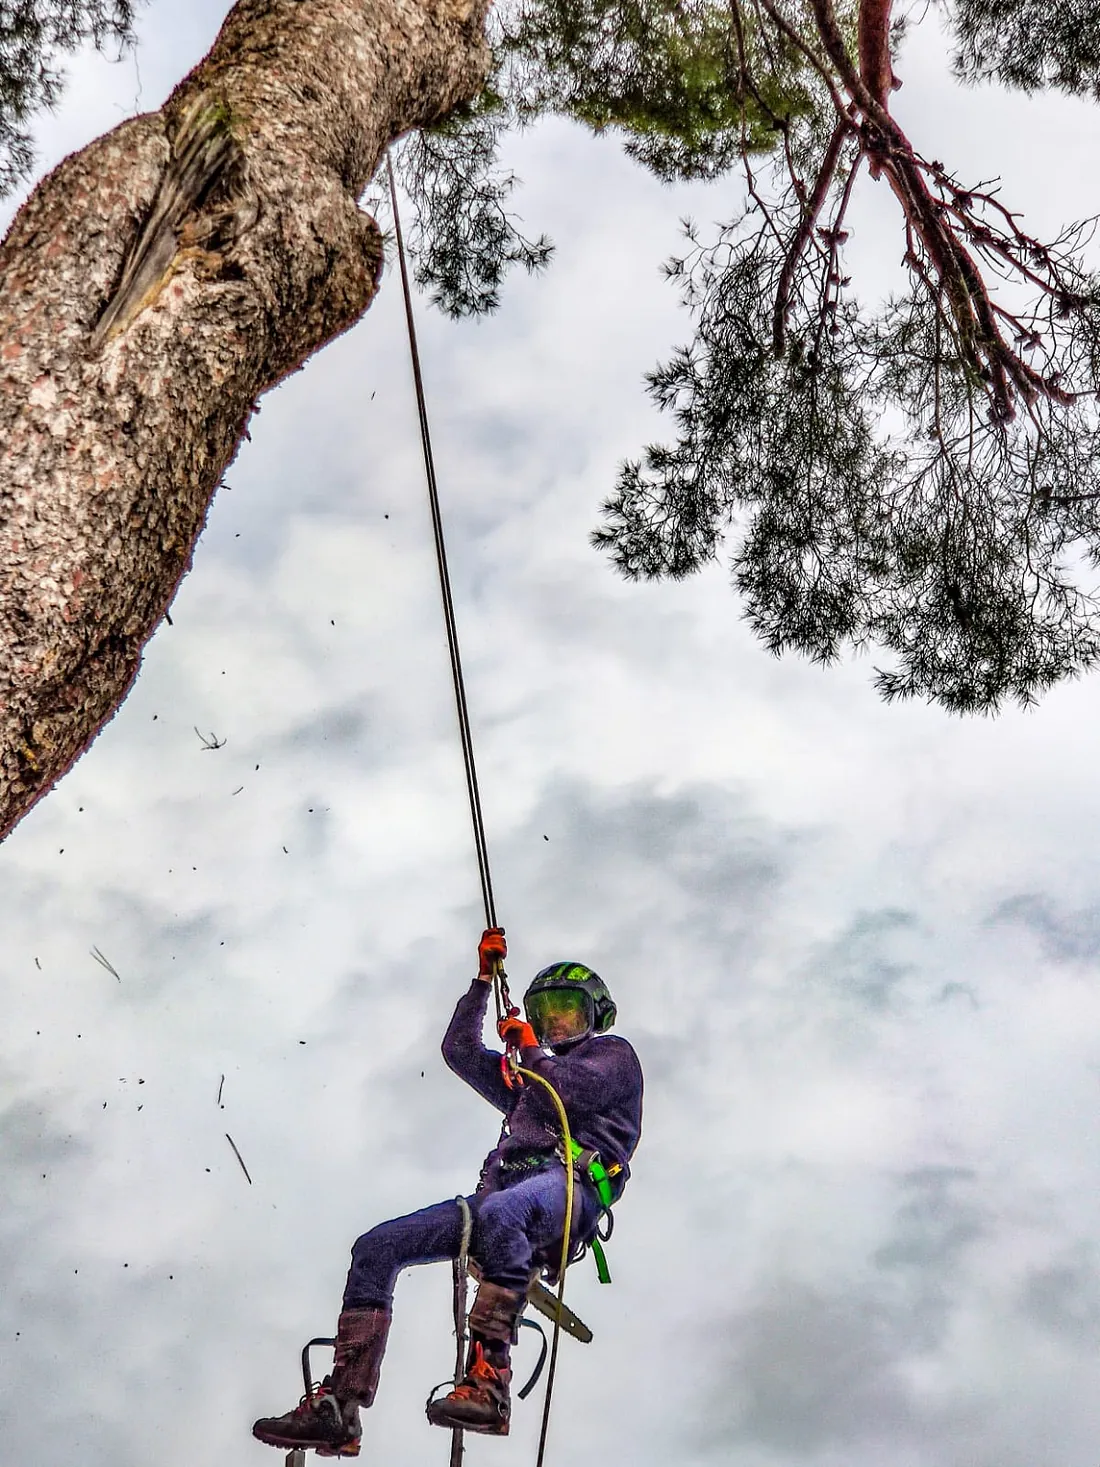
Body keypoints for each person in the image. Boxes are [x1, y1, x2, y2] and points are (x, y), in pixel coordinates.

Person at [251, 927, 644, 1458]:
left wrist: (527, 1047)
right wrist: (483, 981)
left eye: (568, 1012)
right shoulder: (530, 1078)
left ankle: (489, 1380)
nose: (555, 1024)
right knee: (377, 1246)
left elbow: (566, 1095)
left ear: (597, 1016)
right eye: (545, 1013)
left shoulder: (612, 1057)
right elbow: (458, 1050)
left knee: (505, 1214)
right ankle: (340, 1406)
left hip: (569, 1189)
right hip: (504, 1198)